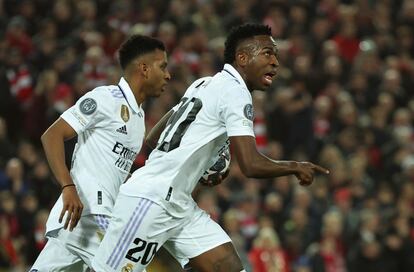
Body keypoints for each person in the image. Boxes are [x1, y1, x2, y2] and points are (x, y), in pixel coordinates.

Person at [91, 23, 329, 272]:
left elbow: (154, 137)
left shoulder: (203, 83)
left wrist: (209, 154)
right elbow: (250, 164)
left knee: (227, 265)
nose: (275, 62)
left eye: (276, 55)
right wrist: (295, 166)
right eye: (268, 53)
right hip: (151, 200)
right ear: (243, 58)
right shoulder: (236, 93)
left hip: (178, 203)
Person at [30, 34, 171, 271]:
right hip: (90, 212)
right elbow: (52, 135)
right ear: (144, 69)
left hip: (85, 217)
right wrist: (68, 187)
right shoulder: (105, 98)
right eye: (163, 67)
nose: (168, 75)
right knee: (130, 266)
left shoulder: (138, 118)